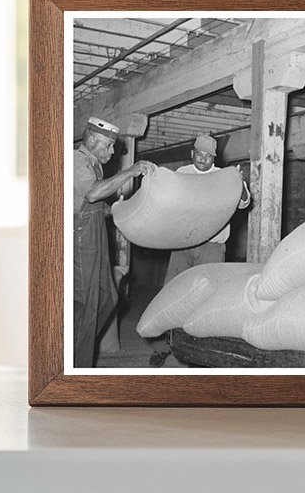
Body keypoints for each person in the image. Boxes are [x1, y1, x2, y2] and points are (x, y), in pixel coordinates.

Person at [73, 116, 155, 367]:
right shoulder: (78, 161)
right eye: (108, 146)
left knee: (107, 296)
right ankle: (76, 362)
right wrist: (130, 171)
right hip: (81, 239)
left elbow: (97, 206)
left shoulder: (94, 164)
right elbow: (92, 193)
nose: (112, 151)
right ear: (92, 139)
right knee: (85, 303)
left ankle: (76, 344)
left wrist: (123, 208)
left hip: (95, 235)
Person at [163, 133, 251, 285]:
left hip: (211, 247)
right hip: (183, 243)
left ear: (214, 158)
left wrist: (240, 184)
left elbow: (244, 203)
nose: (203, 159)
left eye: (208, 156)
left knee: (208, 291)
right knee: (173, 288)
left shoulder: (223, 176)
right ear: (192, 154)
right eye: (199, 154)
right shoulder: (182, 173)